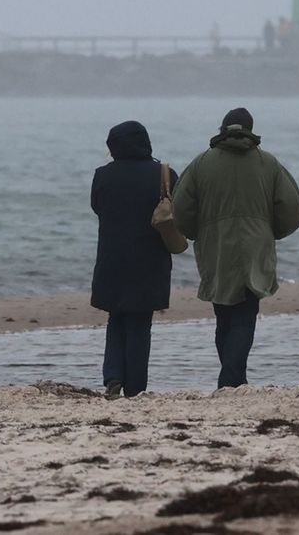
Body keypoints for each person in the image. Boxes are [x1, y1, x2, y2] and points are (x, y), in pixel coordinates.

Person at [173, 107, 299, 389]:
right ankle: (232, 381)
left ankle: (232, 379)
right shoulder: (268, 164)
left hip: (215, 247)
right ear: (250, 129)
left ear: (222, 128)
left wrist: (197, 232)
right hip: (255, 247)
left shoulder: (201, 164)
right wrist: (271, 231)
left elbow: (180, 209)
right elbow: (290, 209)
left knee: (224, 315)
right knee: (245, 314)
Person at [89, 121, 178, 398]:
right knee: (140, 323)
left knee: (116, 318)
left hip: (112, 258)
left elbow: (97, 207)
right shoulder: (164, 174)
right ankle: (136, 387)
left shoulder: (103, 175)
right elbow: (179, 211)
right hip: (150, 260)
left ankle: (113, 376)